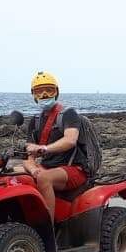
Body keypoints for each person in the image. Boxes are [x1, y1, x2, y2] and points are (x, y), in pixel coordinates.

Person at [22, 71, 89, 218]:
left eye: (49, 90)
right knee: (12, 172)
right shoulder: (35, 121)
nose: (45, 94)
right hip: (48, 167)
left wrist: (44, 148)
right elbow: (29, 156)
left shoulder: (68, 114)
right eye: (39, 91)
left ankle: (48, 230)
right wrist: (33, 170)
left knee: (44, 178)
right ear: (33, 95)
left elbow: (70, 140)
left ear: (56, 92)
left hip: (73, 168)